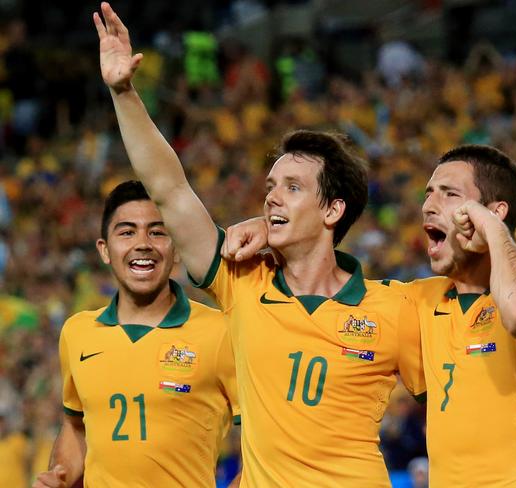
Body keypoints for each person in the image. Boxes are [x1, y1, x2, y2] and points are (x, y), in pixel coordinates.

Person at [94, 4, 426, 487]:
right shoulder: (241, 280)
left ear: (333, 211)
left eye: (293, 186)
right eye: (271, 185)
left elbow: (460, 391)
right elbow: (171, 191)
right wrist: (123, 92)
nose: (272, 194)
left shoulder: (395, 307)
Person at [223, 145, 516, 487]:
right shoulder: (418, 301)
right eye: (428, 193)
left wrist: (491, 230)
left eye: (449, 194)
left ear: (495, 211)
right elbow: (331, 281)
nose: (429, 205)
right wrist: (270, 227)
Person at [32, 181, 239, 488]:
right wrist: (59, 474)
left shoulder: (220, 332)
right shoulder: (77, 332)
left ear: (178, 249)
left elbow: (265, 438)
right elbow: (76, 427)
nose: (143, 243)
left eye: (157, 232)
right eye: (127, 232)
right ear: (105, 250)